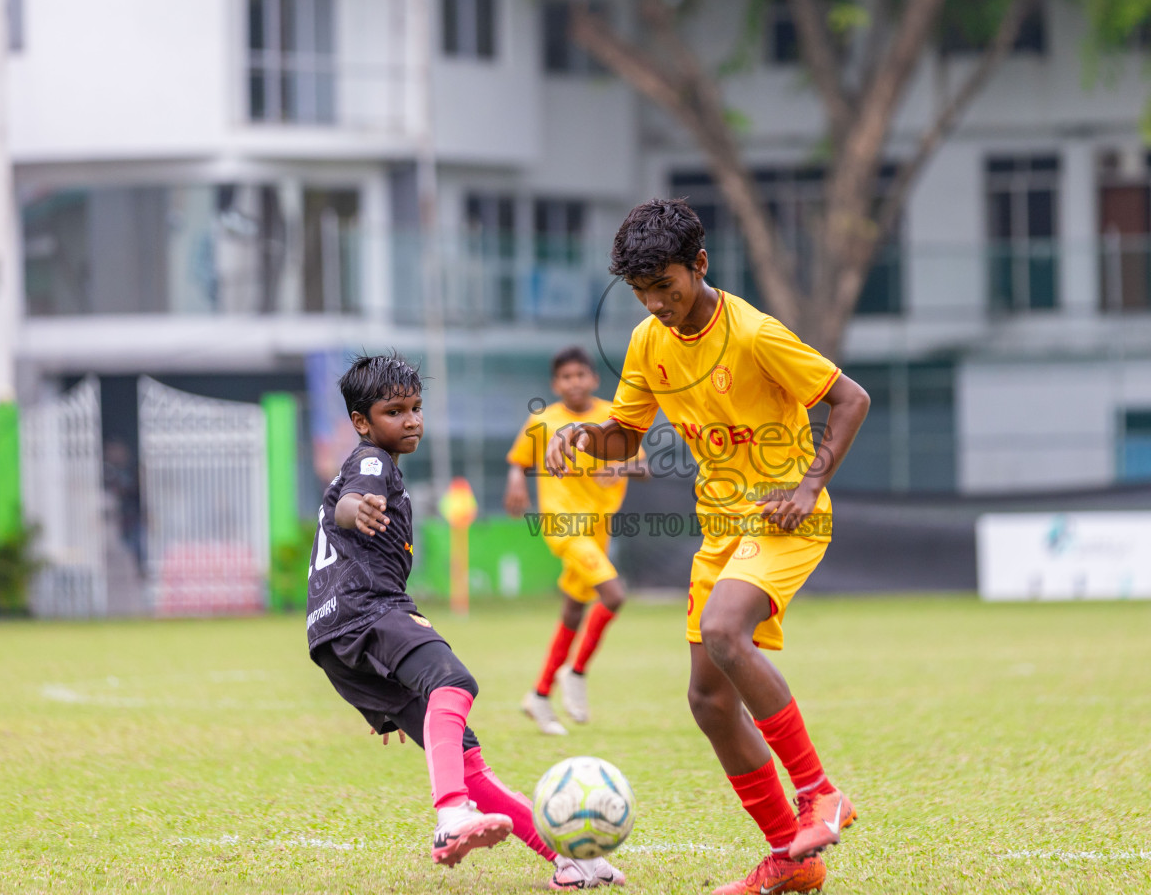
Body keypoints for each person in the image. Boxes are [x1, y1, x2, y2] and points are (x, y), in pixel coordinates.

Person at [545, 200, 871, 895]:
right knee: (709, 703)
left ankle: (821, 794)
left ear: (699, 265)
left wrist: (812, 484)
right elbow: (627, 435)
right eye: (643, 293)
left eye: (668, 285)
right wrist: (584, 436)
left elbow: (851, 399)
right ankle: (794, 858)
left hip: (785, 517)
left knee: (725, 630)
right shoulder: (647, 341)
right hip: (719, 529)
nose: (658, 303)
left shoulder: (754, 333)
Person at [305, 353, 624, 890]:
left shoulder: (365, 464)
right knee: (453, 681)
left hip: (333, 636)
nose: (411, 421)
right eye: (394, 411)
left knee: (467, 758)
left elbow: (342, 504)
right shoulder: (371, 463)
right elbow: (353, 500)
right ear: (362, 423)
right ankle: (451, 815)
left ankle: (570, 862)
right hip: (367, 610)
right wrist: (356, 508)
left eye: (416, 408)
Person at [505, 346, 648, 735]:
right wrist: (517, 482)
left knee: (572, 611)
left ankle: (539, 694)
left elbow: (644, 466)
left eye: (580, 375)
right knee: (614, 595)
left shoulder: (610, 419)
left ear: (593, 379)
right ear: (556, 384)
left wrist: (619, 466)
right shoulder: (543, 421)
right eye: (566, 377)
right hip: (564, 527)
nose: (574, 383)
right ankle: (578, 671)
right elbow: (520, 459)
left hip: (598, 531)